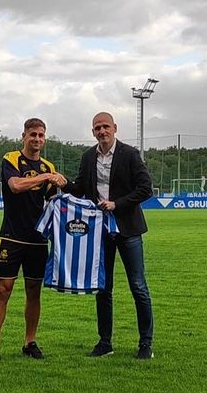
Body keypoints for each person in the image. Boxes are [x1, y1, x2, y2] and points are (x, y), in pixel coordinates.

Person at [63, 112, 155, 359]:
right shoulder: (88, 156)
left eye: (105, 126)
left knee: (138, 286)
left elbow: (146, 189)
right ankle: (105, 342)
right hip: (100, 232)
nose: (101, 131)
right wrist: (60, 183)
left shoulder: (129, 154)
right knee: (103, 288)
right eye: (97, 128)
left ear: (115, 128)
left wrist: (117, 204)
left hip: (128, 229)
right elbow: (79, 189)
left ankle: (145, 343)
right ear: (93, 132)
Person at [0, 118, 67, 365]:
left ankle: (30, 342)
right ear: (24, 136)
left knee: (34, 291)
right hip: (11, 236)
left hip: (37, 239)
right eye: (33, 134)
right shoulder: (11, 159)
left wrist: (63, 187)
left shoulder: (48, 165)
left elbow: (53, 202)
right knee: (3, 290)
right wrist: (46, 178)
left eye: (41, 135)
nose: (37, 139)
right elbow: (16, 185)